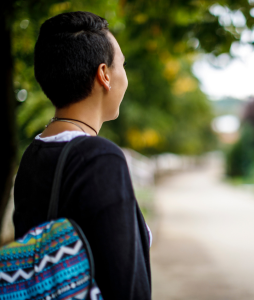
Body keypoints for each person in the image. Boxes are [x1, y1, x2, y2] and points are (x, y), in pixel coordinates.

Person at [13, 11, 151, 300]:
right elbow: (127, 285)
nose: (125, 75)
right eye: (122, 65)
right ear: (104, 75)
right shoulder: (100, 158)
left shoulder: (33, 155)